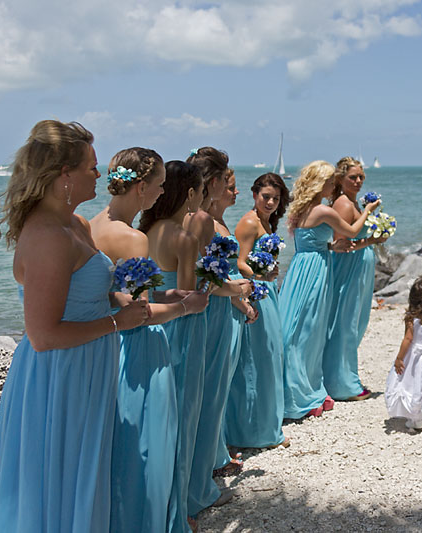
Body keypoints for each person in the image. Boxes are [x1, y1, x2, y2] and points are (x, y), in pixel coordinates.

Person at [0, 120, 149, 532]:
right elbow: (42, 335)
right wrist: (116, 321)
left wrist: (117, 298)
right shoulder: (47, 235)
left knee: (82, 471)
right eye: (91, 166)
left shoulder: (77, 224)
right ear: (63, 176)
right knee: (58, 475)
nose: (100, 174)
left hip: (88, 364)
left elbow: (82, 293)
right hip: (59, 374)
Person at [90, 147, 209, 533]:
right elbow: (139, 314)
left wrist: (167, 297)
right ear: (140, 187)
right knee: (149, 443)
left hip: (103, 346)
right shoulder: (132, 240)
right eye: (158, 186)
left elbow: (118, 297)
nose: (161, 194)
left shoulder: (87, 226)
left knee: (115, 443)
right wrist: (186, 308)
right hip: (140, 349)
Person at [280, 160, 380, 419]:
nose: (332, 186)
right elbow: (352, 230)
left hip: (300, 268)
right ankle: (301, 392)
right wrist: (369, 211)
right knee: (309, 330)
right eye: (329, 182)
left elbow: (312, 242)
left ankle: (304, 386)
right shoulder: (323, 211)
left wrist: (329, 248)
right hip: (315, 272)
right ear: (319, 184)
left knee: (297, 327)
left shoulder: (301, 209)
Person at [183, 147, 253, 517]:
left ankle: (207, 465)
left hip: (208, 310)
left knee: (206, 394)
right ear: (212, 182)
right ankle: (202, 480)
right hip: (210, 313)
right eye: (225, 180)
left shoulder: (188, 216)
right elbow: (203, 275)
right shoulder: (201, 221)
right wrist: (235, 290)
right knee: (207, 395)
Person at [140, 160, 209, 533]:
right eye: (201, 190)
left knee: (159, 422)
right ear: (191, 194)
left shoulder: (148, 229)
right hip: (181, 331)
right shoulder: (183, 238)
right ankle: (178, 510)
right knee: (183, 418)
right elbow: (188, 295)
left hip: (152, 328)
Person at [225, 172, 291, 449]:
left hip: (268, 292)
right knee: (256, 358)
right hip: (256, 292)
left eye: (276, 198)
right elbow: (237, 263)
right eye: (266, 197)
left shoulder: (267, 221)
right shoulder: (249, 222)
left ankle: (266, 425)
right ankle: (251, 431)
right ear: (255, 195)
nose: (271, 202)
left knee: (270, 355)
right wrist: (261, 272)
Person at [323, 157, 388, 401]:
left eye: (361, 176)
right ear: (340, 179)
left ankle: (343, 377)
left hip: (358, 269)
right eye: (353, 177)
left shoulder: (352, 202)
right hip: (348, 269)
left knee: (353, 323)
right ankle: (343, 385)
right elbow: (341, 242)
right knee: (345, 323)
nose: (359, 181)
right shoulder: (343, 203)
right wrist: (372, 240)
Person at [384, 278, 422, 430]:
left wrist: (399, 358)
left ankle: (416, 419)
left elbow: (408, 339)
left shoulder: (412, 319)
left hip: (415, 357)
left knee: (411, 385)